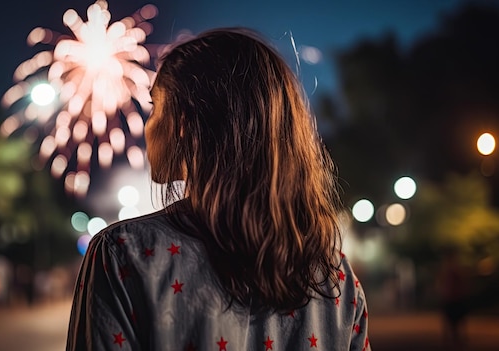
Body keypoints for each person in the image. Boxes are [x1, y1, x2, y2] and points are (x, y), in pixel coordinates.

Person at [66, 28, 371, 350]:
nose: (147, 123)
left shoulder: (122, 253)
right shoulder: (336, 276)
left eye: (154, 106)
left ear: (183, 123)